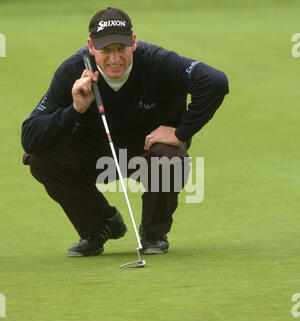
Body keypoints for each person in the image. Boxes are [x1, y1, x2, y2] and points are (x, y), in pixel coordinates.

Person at [21, 7, 229, 257]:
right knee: (41, 159)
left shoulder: (157, 61)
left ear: (133, 42)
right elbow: (30, 137)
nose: (115, 59)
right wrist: (74, 110)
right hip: (96, 155)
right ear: (91, 46)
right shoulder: (72, 70)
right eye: (106, 50)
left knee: (171, 157)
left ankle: (154, 233)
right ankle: (100, 225)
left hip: (149, 150)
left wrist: (181, 132)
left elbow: (214, 81)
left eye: (121, 48)